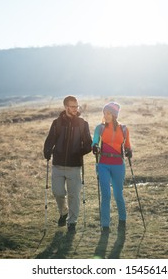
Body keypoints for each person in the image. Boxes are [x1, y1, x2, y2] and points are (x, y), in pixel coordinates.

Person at [43, 96, 92, 233]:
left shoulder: (83, 124)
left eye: (77, 106)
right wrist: (47, 151)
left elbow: (88, 144)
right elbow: (50, 140)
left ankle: (72, 222)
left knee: (74, 196)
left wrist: (80, 152)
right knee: (58, 193)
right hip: (58, 165)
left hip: (74, 166)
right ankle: (63, 212)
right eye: (72, 106)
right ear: (66, 107)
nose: (75, 109)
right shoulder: (57, 123)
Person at [92, 102, 132, 234]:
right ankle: (105, 225)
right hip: (103, 164)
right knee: (106, 195)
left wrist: (129, 151)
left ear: (114, 114)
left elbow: (127, 145)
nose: (106, 115)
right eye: (104, 113)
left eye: (108, 113)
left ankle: (123, 220)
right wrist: (95, 146)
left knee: (118, 194)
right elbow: (95, 140)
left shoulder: (124, 129)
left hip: (118, 165)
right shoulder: (100, 128)